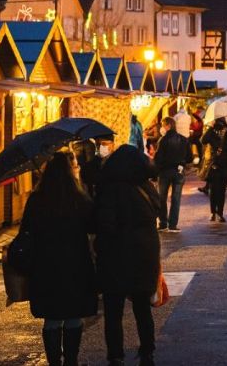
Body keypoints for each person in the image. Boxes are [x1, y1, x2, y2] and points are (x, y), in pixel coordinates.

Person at [22, 152, 98, 366]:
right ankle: (71, 360)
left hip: (45, 264)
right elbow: (93, 226)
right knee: (73, 314)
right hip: (75, 263)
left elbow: (26, 230)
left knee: (52, 317)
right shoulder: (79, 197)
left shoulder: (37, 199)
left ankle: (54, 361)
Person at [94, 144, 160, 366]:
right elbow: (157, 215)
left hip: (115, 259)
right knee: (142, 309)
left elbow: (103, 225)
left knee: (113, 312)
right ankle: (147, 351)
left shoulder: (109, 191)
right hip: (144, 258)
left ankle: (116, 355)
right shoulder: (147, 189)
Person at [153, 117, 191, 232]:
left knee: (162, 198)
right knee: (176, 198)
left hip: (164, 172)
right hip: (179, 172)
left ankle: (163, 223)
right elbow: (189, 157)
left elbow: (157, 158)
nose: (162, 128)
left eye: (162, 125)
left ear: (168, 125)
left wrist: (155, 173)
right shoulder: (184, 140)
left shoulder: (163, 140)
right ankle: (173, 225)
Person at [203, 119, 227, 222]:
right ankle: (213, 212)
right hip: (214, 165)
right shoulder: (211, 132)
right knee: (213, 190)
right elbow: (203, 140)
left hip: (224, 165)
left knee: (221, 191)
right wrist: (210, 127)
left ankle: (220, 212)